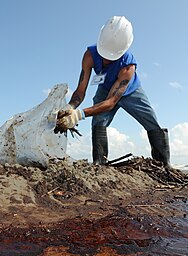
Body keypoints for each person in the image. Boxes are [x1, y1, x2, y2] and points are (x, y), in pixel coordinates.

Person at [55, 16, 170, 166]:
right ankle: (100, 162)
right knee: (99, 122)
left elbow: (110, 103)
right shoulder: (89, 55)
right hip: (105, 88)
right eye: (104, 55)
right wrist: (70, 108)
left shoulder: (128, 66)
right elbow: (80, 90)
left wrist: (79, 115)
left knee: (150, 121)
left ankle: (163, 163)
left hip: (131, 91)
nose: (107, 59)